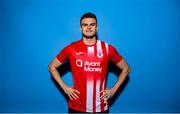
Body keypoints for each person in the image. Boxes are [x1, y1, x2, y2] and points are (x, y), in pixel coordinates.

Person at [48, 12, 130, 113]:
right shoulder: (71, 48)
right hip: (76, 106)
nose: (89, 27)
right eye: (85, 25)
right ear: (80, 28)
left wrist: (113, 90)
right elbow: (51, 67)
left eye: (92, 24)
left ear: (97, 27)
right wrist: (65, 88)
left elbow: (126, 68)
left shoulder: (108, 49)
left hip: (100, 107)